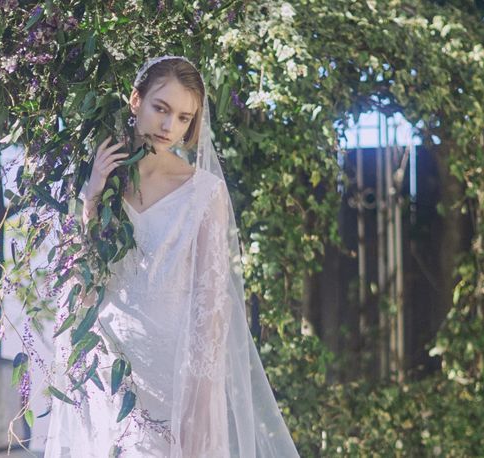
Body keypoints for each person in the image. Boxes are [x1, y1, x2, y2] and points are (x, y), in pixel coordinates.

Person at [44, 56, 300, 457]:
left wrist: (200, 401)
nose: (169, 127)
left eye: (183, 118)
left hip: (171, 373)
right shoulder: (100, 178)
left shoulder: (204, 192)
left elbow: (210, 305)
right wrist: (91, 196)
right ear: (136, 100)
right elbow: (77, 280)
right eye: (160, 108)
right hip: (105, 359)